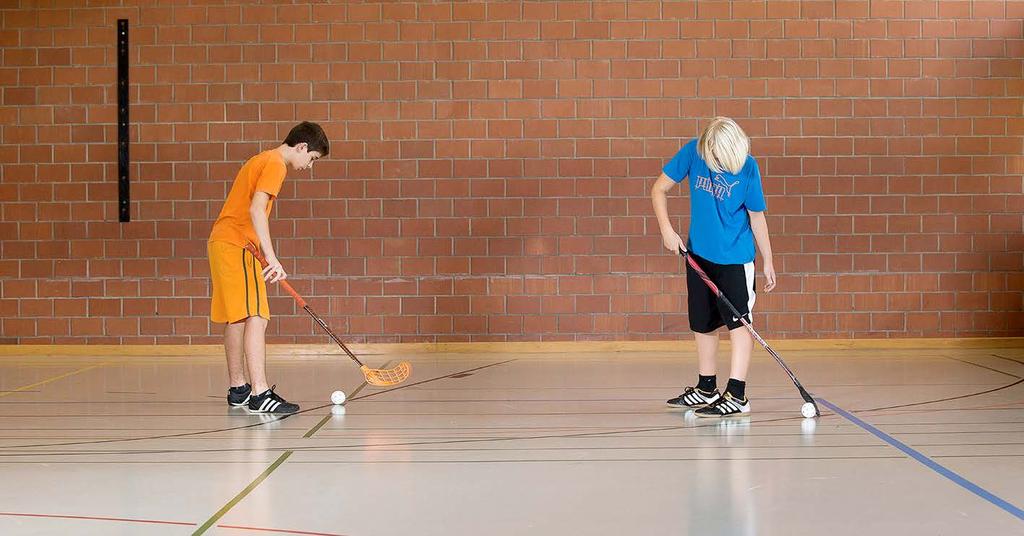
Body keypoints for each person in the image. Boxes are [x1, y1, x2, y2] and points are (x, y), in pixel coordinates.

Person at [650, 117, 776, 417]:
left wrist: (768, 259)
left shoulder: (748, 167)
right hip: (698, 255)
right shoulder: (694, 152)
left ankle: (737, 394)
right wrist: (667, 231)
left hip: (735, 259)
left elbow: (757, 217)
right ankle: (707, 387)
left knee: (739, 325)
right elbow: (658, 190)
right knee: (703, 323)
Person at [207, 121, 329, 414]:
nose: (308, 166)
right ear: (301, 147)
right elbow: (256, 210)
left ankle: (239, 389)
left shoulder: (260, 158)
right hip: (238, 245)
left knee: (237, 318)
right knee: (257, 316)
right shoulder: (276, 163)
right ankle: (260, 394)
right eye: (311, 159)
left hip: (223, 242)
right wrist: (272, 258)